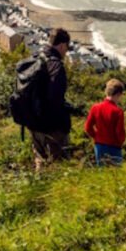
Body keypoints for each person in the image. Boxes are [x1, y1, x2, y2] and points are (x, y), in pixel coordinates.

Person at [30, 27, 72, 171]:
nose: (67, 51)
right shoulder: (56, 66)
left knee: (40, 163)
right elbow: (55, 99)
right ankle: (56, 193)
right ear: (61, 45)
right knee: (59, 167)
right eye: (67, 47)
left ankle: (38, 191)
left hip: (34, 124)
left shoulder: (36, 58)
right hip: (52, 129)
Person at [84, 79, 126, 166]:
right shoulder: (118, 111)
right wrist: (120, 142)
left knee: (102, 173)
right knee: (116, 175)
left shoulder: (95, 108)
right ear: (118, 94)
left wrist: (96, 136)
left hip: (99, 146)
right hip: (114, 146)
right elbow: (120, 132)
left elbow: (88, 127)